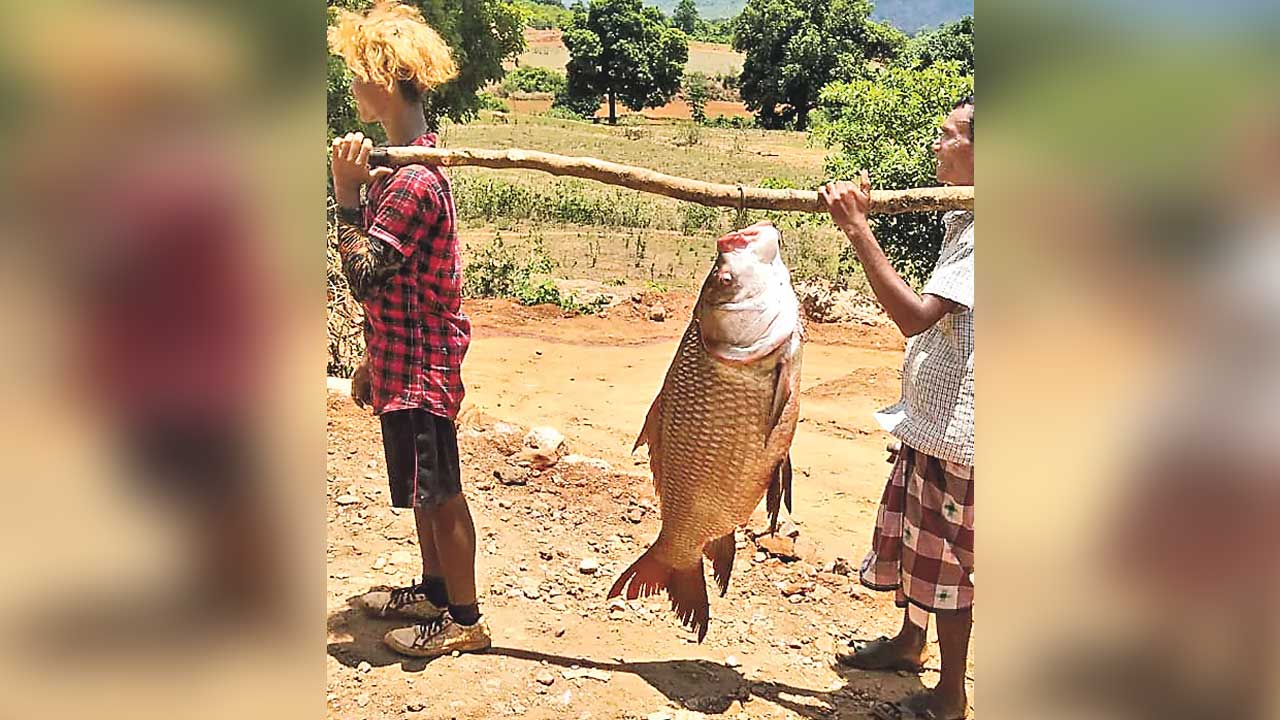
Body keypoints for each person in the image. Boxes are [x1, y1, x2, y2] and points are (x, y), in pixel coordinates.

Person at [328, 0, 489, 657]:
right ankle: (435, 590)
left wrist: (344, 196)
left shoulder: (413, 181)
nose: (352, 86)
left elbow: (366, 275)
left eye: (357, 74)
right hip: (402, 357)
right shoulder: (400, 168)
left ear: (383, 79)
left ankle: (465, 621)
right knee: (424, 490)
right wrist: (373, 359)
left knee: (442, 493)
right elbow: (395, 289)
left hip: (422, 366)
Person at [820, 96, 975, 720]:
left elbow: (915, 317)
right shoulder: (965, 218)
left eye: (949, 135)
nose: (937, 144)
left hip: (964, 431)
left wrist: (858, 230)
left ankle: (950, 695)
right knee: (918, 539)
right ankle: (911, 643)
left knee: (948, 563)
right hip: (932, 420)